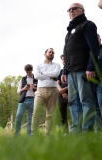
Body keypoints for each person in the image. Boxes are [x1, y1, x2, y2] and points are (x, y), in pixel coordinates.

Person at [61, 3, 100, 133]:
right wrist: (65, 70)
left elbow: (94, 48)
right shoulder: (69, 31)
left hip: (84, 70)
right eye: (69, 9)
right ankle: (75, 131)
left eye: (74, 8)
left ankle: (87, 131)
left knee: (86, 100)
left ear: (82, 10)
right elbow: (67, 52)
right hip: (71, 72)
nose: (71, 11)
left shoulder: (88, 25)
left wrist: (90, 67)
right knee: (73, 102)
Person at [32, 48, 60, 136]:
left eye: (53, 53)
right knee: (36, 112)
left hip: (53, 90)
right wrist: (50, 76)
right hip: (40, 90)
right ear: (45, 54)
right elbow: (36, 75)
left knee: (50, 114)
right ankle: (34, 134)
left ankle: (48, 134)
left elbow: (56, 74)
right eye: (49, 52)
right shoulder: (38, 65)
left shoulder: (57, 65)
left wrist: (43, 73)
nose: (51, 53)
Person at [14, 64, 37, 136]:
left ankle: (29, 134)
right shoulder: (22, 79)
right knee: (18, 116)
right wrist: (24, 88)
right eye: (27, 72)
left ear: (32, 71)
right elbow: (18, 91)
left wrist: (34, 88)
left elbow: (40, 91)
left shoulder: (36, 79)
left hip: (33, 100)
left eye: (29, 72)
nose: (28, 73)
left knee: (30, 118)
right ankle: (16, 134)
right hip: (23, 100)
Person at [57, 55, 69, 134]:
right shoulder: (60, 71)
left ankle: (77, 130)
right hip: (61, 94)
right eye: (62, 59)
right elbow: (57, 82)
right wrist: (61, 90)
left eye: (65, 58)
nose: (64, 60)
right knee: (62, 114)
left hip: (72, 93)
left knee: (75, 111)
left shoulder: (71, 70)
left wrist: (65, 89)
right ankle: (65, 132)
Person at [94, 34, 102, 131]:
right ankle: (98, 129)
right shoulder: (90, 51)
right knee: (95, 107)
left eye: (97, 39)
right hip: (92, 83)